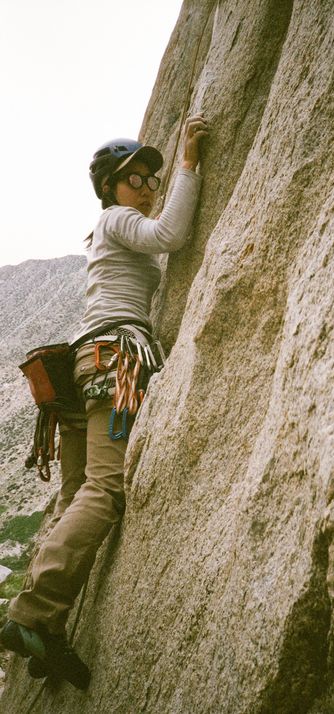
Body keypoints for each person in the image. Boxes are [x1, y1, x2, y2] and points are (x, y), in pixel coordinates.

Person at [0, 115, 208, 690]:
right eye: (131, 178)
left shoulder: (106, 231)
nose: (144, 186)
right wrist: (187, 164)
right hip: (114, 360)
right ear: (109, 189)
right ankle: (33, 614)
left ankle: (49, 630)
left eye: (149, 178)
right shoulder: (116, 220)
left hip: (86, 364)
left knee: (75, 498)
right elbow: (170, 236)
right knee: (105, 487)